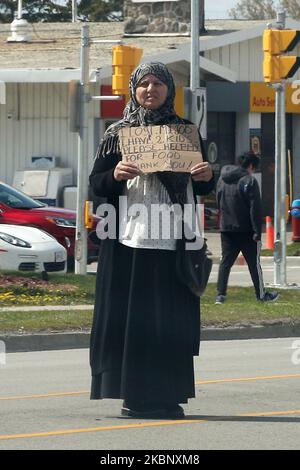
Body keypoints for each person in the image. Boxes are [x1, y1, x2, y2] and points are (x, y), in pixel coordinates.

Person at [89, 62, 214, 419]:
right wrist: (113, 174)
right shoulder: (118, 133)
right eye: (143, 83)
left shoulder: (186, 132)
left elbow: (201, 184)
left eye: (158, 83)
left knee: (169, 323)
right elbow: (97, 183)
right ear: (133, 89)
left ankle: (168, 396)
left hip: (174, 240)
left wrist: (207, 175)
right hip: (132, 241)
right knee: (136, 322)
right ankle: (135, 397)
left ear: (169, 91)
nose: (150, 89)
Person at [215, 152, 279, 304]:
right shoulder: (249, 181)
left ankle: (220, 295)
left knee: (225, 262)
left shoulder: (222, 179)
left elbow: (218, 200)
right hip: (246, 230)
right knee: (254, 264)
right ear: (251, 166)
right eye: (254, 168)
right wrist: (257, 231)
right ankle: (261, 295)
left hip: (226, 228)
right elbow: (255, 208)